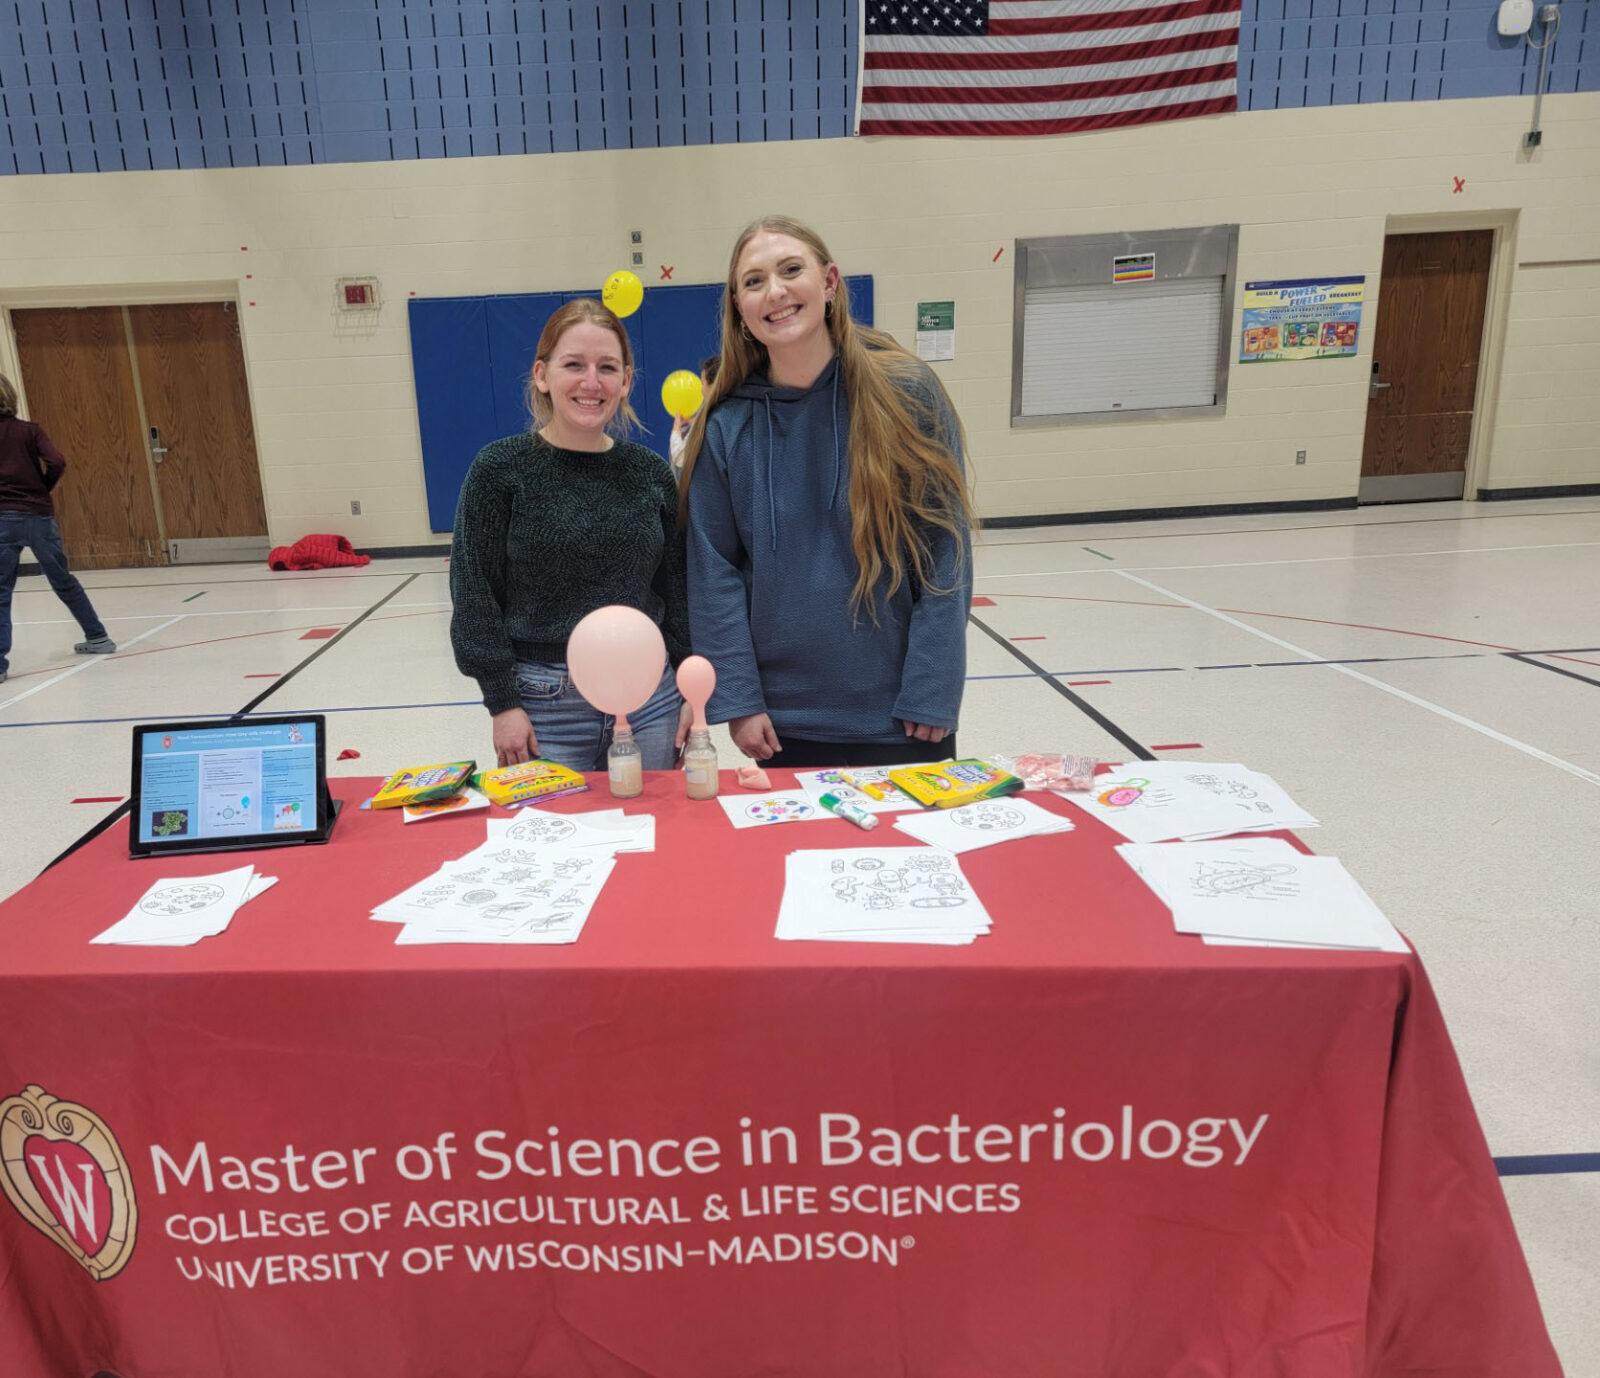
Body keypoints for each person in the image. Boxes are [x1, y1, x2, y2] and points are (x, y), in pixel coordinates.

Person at [680, 216, 975, 769]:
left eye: (791, 270)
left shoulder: (906, 393)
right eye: (754, 281)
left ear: (830, 282)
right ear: (740, 308)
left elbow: (945, 548)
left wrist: (934, 683)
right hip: (780, 723)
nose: (775, 291)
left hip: (904, 715)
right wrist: (739, 699)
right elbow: (713, 570)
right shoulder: (726, 427)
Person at [450, 299, 692, 771]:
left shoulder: (649, 473)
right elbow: (474, 592)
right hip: (543, 708)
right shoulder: (499, 469)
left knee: (653, 821)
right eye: (574, 365)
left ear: (626, 381)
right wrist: (502, 703)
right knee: (548, 823)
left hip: (651, 700)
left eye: (607, 367)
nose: (591, 382)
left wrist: (687, 688)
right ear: (542, 375)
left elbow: (678, 589)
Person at [0, 374, 115, 685]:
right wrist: (42, 488)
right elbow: (57, 461)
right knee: (62, 579)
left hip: (3, 519)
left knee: (1, 591)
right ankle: (97, 636)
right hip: (38, 515)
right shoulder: (30, 430)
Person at [667, 355, 719, 482]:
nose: (701, 389)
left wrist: (676, 429)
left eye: (702, 383)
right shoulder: (736, 410)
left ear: (713, 385)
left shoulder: (707, 421)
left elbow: (680, 457)